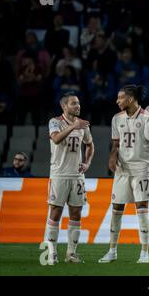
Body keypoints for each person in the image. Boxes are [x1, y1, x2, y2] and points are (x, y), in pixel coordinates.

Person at [98, 85, 149, 264]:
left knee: (141, 209)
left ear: (130, 99)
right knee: (116, 209)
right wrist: (112, 156)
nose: (117, 100)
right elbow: (115, 144)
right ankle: (112, 251)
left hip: (141, 169)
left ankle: (144, 253)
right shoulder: (116, 118)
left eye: (120, 98)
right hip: (122, 169)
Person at [45, 92, 95, 265]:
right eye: (73, 103)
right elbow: (57, 139)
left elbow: (90, 144)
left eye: (78, 103)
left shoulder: (83, 126)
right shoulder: (55, 122)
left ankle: (71, 254)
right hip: (59, 175)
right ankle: (51, 253)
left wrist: (87, 163)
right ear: (64, 106)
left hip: (77, 176)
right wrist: (74, 126)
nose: (78, 106)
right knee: (56, 212)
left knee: (76, 213)